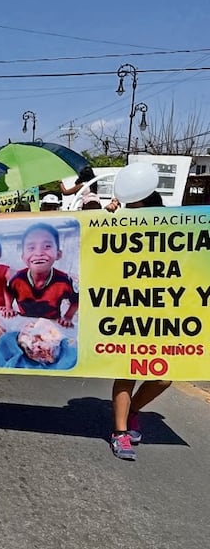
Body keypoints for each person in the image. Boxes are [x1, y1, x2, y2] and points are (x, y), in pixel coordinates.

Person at [109, 188, 169, 460]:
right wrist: (108, 216)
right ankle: (120, 433)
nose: (131, 213)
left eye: (135, 208)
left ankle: (132, 410)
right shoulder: (118, 224)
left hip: (163, 314)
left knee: (163, 377)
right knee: (128, 369)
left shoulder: (171, 231)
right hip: (126, 309)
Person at [7, 223, 78, 327]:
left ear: (58, 254)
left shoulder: (64, 281)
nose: (39, 253)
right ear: (23, 256)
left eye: (47, 246)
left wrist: (67, 317)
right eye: (31, 248)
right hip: (24, 324)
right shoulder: (17, 279)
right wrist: (8, 307)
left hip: (52, 326)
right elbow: (8, 291)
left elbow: (76, 300)